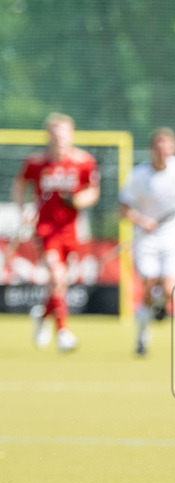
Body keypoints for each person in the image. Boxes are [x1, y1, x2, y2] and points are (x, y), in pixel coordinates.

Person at [11, 112, 100, 352]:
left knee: (59, 283)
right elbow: (19, 186)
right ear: (48, 136)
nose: (59, 139)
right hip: (46, 230)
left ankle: (42, 317)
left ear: (71, 135)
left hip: (71, 230)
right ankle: (63, 333)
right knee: (57, 277)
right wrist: (23, 210)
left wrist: (78, 201)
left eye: (64, 134)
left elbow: (93, 191)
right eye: (55, 134)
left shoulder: (83, 161)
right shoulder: (36, 162)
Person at [119, 128, 175, 356]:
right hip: (147, 239)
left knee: (170, 289)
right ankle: (142, 337)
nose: (163, 151)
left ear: (173, 148)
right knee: (149, 284)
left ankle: (159, 305)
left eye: (167, 146)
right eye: (159, 146)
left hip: (172, 238)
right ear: (151, 149)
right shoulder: (138, 175)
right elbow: (124, 208)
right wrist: (142, 221)